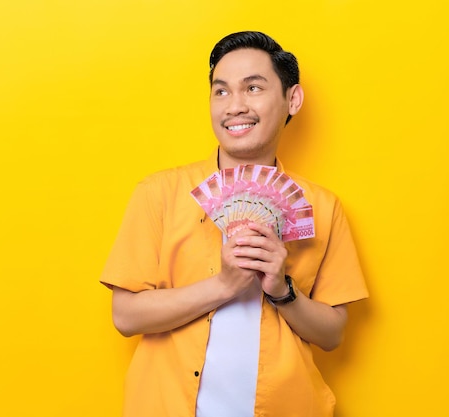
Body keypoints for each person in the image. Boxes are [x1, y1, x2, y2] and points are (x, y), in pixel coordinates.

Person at [100, 31, 368, 417]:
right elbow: (125, 316)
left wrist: (282, 290)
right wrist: (223, 285)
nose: (234, 106)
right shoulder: (159, 193)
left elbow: (333, 334)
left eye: (253, 88)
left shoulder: (323, 207)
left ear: (292, 99)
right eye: (221, 92)